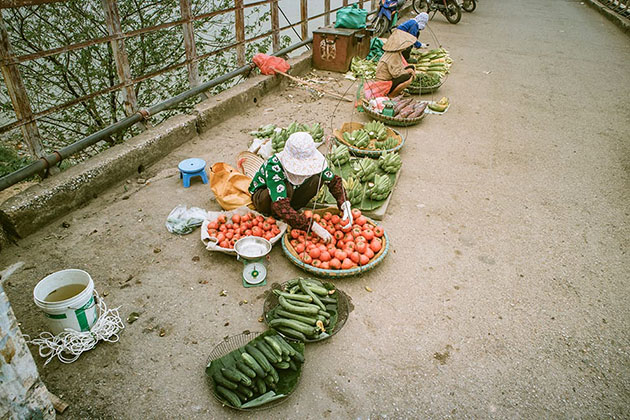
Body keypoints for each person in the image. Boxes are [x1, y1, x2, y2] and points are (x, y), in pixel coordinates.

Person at [249, 132, 353, 242]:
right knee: (286, 187)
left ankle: (292, 213)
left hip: (290, 197)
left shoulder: (315, 162)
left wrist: (344, 203)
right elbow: (279, 204)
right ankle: (283, 216)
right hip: (265, 198)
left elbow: (333, 181)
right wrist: (311, 226)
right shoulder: (274, 165)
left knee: (316, 180)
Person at [374, 29, 417, 98]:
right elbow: (396, 74)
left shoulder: (396, 52)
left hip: (390, 77)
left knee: (411, 68)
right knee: (407, 77)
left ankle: (397, 91)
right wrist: (408, 71)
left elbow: (399, 67)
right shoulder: (393, 55)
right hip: (384, 83)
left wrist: (409, 69)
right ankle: (391, 95)